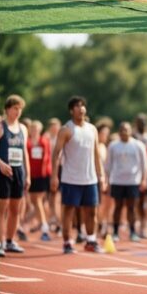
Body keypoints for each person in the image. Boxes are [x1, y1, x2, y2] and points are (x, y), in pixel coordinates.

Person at [51, 96, 106, 254]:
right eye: (77, 106)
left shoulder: (92, 129)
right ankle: (67, 242)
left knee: (92, 211)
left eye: (82, 105)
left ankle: (91, 241)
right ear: (71, 110)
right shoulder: (66, 130)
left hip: (90, 179)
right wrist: (54, 176)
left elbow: (96, 154)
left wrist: (101, 176)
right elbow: (56, 154)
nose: (81, 108)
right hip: (71, 179)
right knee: (69, 211)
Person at [0, 95, 30, 257]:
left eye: (20, 109)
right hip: (4, 172)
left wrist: (28, 175)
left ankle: (10, 240)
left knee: (15, 209)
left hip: (19, 171)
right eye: (15, 108)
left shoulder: (23, 128)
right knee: (2, 209)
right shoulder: (1, 126)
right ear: (7, 109)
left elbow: (25, 153)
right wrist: (0, 163)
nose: (18, 111)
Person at [106, 121, 147, 242]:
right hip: (117, 181)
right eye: (122, 130)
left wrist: (144, 179)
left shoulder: (138, 145)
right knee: (117, 207)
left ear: (131, 131)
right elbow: (108, 164)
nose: (124, 132)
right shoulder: (113, 145)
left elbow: (144, 164)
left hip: (133, 181)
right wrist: (107, 181)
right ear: (119, 132)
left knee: (132, 207)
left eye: (127, 130)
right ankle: (115, 232)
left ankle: (133, 232)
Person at [26, 117, 53, 241]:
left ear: (40, 130)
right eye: (33, 128)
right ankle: (42, 224)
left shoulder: (44, 141)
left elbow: (47, 157)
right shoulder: (27, 141)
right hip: (31, 175)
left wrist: (45, 174)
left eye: (37, 129)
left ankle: (44, 226)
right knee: (34, 201)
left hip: (42, 176)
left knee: (38, 200)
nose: (34, 131)